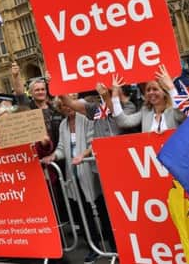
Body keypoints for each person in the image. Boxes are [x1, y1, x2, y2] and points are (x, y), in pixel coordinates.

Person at [42, 98, 114, 264]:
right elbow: (61, 147)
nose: (67, 108)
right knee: (83, 214)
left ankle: (114, 248)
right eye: (63, 107)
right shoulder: (62, 125)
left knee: (103, 212)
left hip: (90, 172)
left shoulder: (86, 119)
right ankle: (93, 248)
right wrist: (54, 156)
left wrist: (83, 155)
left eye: (68, 104)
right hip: (72, 174)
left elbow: (93, 142)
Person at [109, 65, 186, 133]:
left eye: (155, 89)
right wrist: (115, 93)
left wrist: (171, 88)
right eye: (148, 90)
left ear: (164, 92)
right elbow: (123, 122)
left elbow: (182, 115)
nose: (151, 92)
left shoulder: (174, 110)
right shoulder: (145, 111)